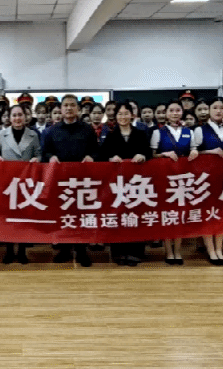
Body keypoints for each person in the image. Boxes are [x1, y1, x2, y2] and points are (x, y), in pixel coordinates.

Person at [42, 94, 99, 267]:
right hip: (61, 181)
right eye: (65, 105)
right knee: (63, 215)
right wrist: (51, 157)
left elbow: (96, 151)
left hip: (83, 180)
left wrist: (91, 156)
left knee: (81, 215)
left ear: (78, 109)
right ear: (60, 109)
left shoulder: (87, 129)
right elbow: (45, 152)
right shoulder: (52, 130)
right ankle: (64, 248)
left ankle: (82, 250)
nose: (68, 108)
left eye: (72, 105)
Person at [98, 101, 150, 266]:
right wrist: (110, 158)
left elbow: (148, 153)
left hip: (137, 183)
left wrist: (143, 155)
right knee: (118, 216)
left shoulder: (140, 134)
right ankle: (119, 252)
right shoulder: (111, 135)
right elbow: (101, 156)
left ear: (132, 115)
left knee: (136, 216)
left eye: (126, 113)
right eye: (119, 114)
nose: (123, 117)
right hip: (117, 185)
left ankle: (136, 252)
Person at [0, 104, 42, 264]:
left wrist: (37, 159)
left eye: (20, 115)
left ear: (25, 117)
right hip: (7, 182)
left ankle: (22, 251)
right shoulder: (2, 134)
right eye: (14, 115)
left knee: (24, 218)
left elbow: (39, 153)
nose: (17, 118)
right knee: (8, 217)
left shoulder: (33, 135)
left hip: (26, 181)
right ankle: (8, 250)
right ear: (9, 118)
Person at [150, 100, 199, 265]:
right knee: (167, 215)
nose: (175, 113)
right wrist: (164, 154)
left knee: (180, 216)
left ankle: (177, 251)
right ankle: (168, 251)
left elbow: (194, 148)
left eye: (178, 110)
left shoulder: (188, 131)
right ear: (166, 113)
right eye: (171, 110)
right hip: (164, 179)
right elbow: (152, 155)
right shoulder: (158, 132)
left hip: (183, 179)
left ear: (182, 112)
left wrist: (194, 151)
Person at [192, 96, 223, 266]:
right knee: (207, 214)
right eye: (215, 107)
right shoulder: (199, 130)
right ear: (209, 111)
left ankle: (219, 250)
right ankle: (211, 251)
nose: (219, 111)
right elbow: (193, 153)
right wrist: (209, 152)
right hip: (205, 178)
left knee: (222, 215)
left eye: (222, 107)